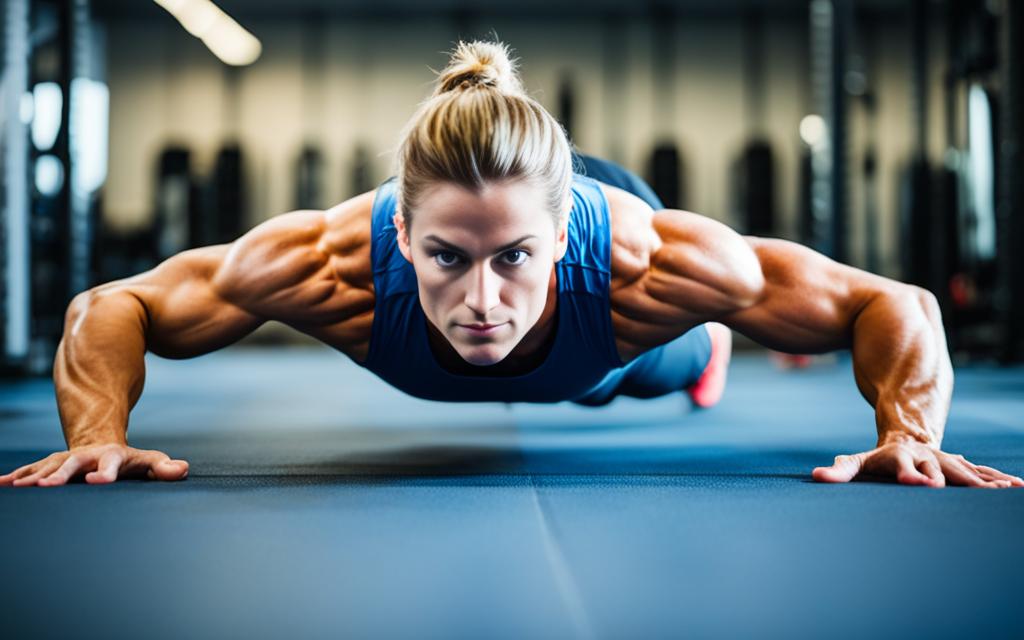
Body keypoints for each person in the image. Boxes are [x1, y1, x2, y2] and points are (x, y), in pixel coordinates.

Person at [2, 41, 1020, 490]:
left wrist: (908, 434)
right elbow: (115, 304)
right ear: (399, 236)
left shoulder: (651, 265)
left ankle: (692, 353)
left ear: (564, 228)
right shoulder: (326, 264)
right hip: (554, 273)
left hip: (619, 338)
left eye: (513, 259)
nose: (479, 300)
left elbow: (893, 303)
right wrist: (97, 437)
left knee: (668, 361)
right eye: (445, 257)